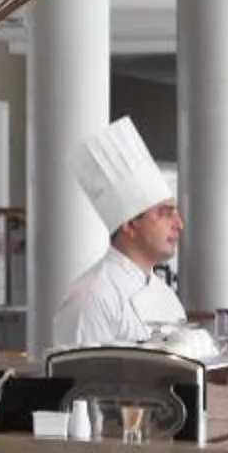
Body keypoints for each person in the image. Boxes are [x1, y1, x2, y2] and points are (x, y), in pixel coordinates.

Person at [50, 119, 186, 349]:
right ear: (130, 224)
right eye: (165, 213)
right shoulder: (90, 298)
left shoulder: (168, 298)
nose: (179, 224)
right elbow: (79, 380)